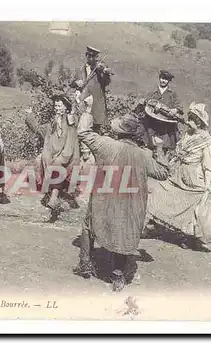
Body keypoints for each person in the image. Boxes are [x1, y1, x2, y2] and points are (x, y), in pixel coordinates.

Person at [73, 110, 169, 292]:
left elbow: (83, 132)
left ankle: (85, 264)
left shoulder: (106, 144)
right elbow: (163, 173)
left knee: (88, 224)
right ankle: (117, 275)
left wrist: (87, 110)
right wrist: (158, 148)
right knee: (124, 230)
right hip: (131, 206)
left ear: (119, 132)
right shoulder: (144, 155)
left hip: (104, 201)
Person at [146, 102, 211, 249]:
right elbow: (179, 152)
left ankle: (188, 237)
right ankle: (156, 225)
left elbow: (208, 165)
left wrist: (208, 184)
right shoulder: (187, 135)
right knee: (163, 192)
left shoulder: (207, 141)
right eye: (189, 119)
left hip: (193, 175)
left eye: (191, 120)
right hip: (180, 172)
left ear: (199, 122)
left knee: (192, 205)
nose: (188, 122)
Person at [25, 93, 81, 221]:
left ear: (66, 107)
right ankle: (54, 196)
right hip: (54, 155)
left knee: (58, 165)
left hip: (69, 153)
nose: (57, 108)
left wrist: (76, 102)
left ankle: (55, 197)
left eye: (60, 105)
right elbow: (38, 129)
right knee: (45, 161)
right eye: (55, 105)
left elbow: (75, 119)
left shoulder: (70, 120)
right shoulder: (51, 125)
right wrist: (29, 115)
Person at [74, 46, 113, 161]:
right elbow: (72, 82)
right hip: (83, 104)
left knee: (95, 132)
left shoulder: (99, 69)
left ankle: (94, 159)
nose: (90, 58)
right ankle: (82, 157)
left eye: (93, 56)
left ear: (97, 57)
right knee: (81, 128)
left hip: (96, 106)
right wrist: (77, 82)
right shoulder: (81, 68)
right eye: (88, 56)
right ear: (86, 55)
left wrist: (105, 72)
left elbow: (106, 82)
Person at [141, 70, 184, 157]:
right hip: (153, 124)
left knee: (165, 147)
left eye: (166, 79)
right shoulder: (153, 92)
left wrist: (175, 110)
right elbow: (146, 103)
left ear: (169, 81)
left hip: (166, 126)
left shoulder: (172, 94)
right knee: (152, 146)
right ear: (159, 78)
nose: (163, 81)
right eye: (162, 78)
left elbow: (179, 107)